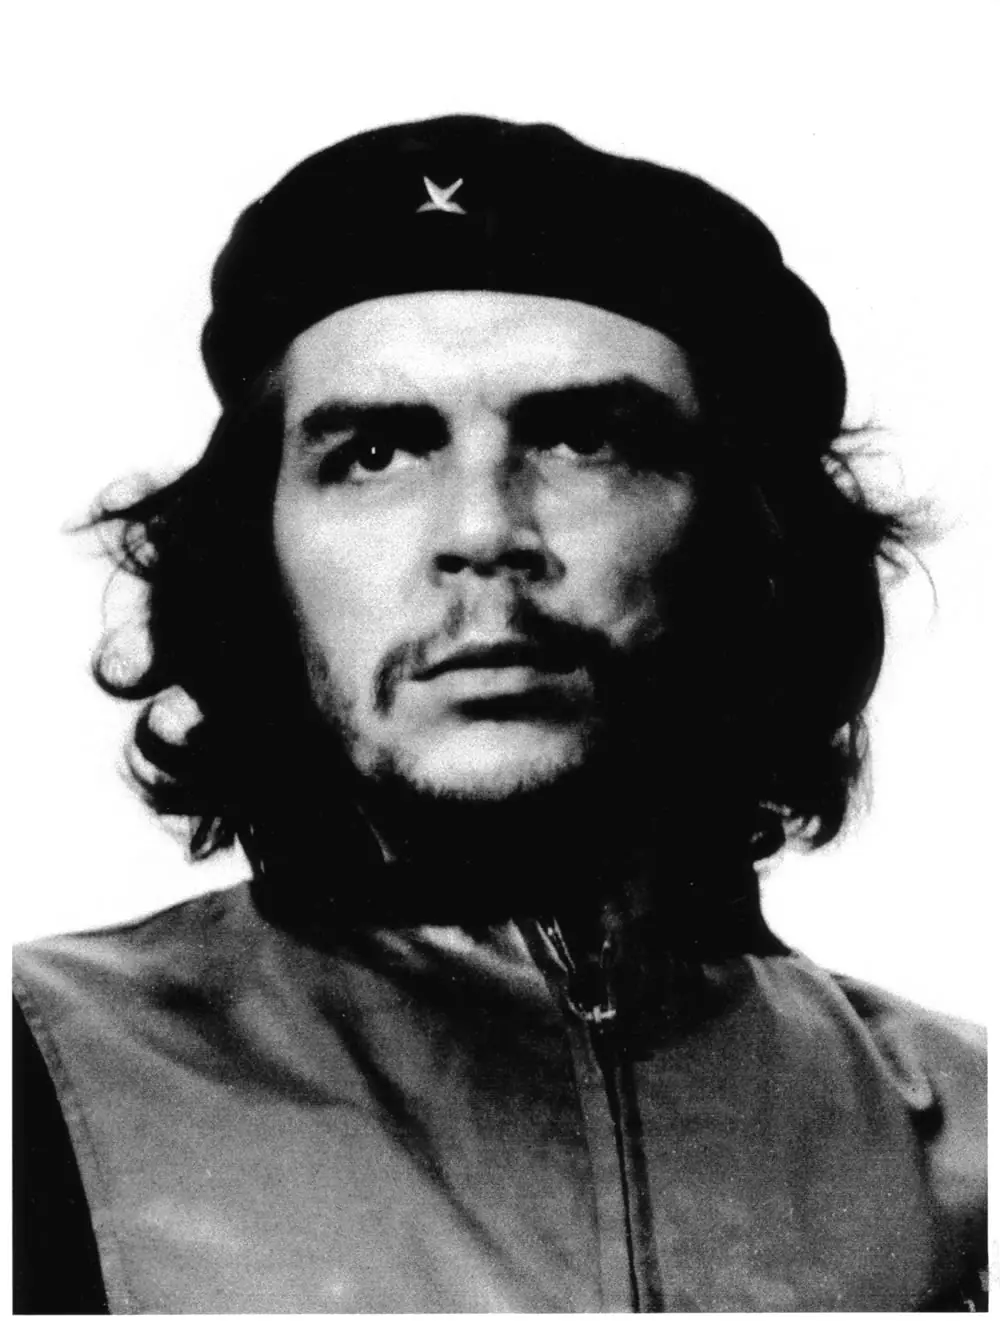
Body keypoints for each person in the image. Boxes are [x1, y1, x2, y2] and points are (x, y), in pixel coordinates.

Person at [12, 115, 986, 1314]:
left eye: (583, 440)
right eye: (376, 452)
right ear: (256, 557)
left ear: (748, 546)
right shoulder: (37, 1078)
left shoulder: (961, 1137)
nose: (481, 531)